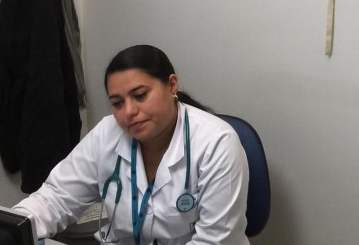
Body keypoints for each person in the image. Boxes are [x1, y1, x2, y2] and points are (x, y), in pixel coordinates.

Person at [14, 45, 250, 244]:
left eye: (140, 95)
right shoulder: (107, 133)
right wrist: (13, 228)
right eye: (117, 103)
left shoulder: (216, 144)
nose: (129, 112)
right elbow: (55, 199)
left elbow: (214, 241)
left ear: (171, 85)